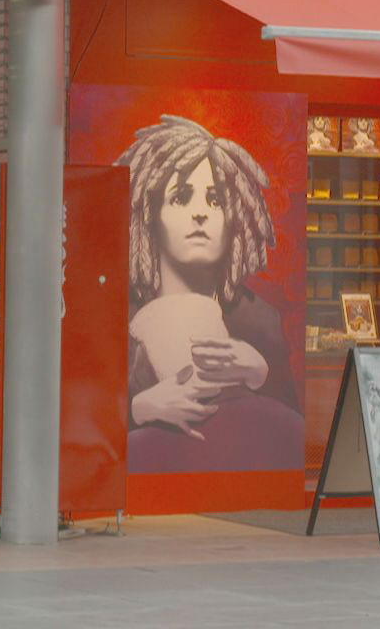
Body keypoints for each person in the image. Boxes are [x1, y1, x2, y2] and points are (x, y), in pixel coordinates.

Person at [117, 114, 300, 473]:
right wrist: (139, 409)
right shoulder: (116, 318)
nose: (200, 212)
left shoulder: (260, 321)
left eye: (215, 200)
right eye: (181, 197)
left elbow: (288, 438)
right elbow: (79, 422)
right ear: (150, 213)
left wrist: (260, 374)